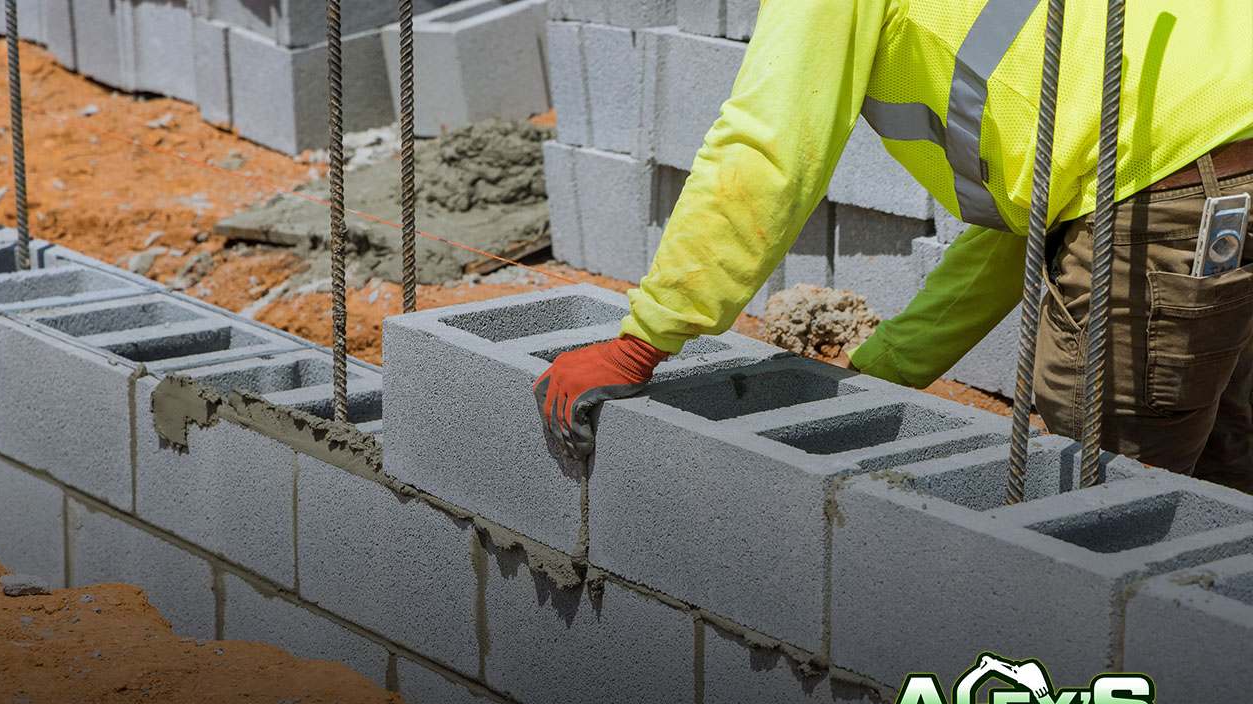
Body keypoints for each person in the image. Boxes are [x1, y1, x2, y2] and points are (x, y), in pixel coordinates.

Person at [533, 0, 1253, 491]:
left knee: (1113, 489)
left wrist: (642, 341)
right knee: (1224, 450)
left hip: (1177, 189)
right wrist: (888, 368)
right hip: (1207, 165)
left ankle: (1128, 694)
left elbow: (766, 148)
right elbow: (1035, 227)